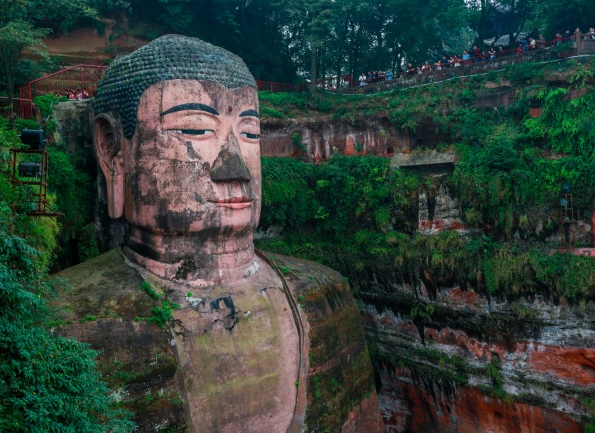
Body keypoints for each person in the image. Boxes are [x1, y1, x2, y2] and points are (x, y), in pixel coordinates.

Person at [54, 34, 384, 433]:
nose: (236, 168)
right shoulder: (66, 328)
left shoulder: (323, 296)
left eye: (250, 133)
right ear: (112, 150)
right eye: (194, 128)